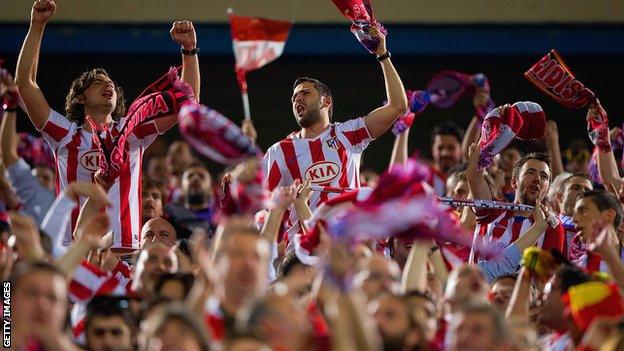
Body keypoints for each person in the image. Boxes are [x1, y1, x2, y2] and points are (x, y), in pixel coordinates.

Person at [15, 0, 200, 251]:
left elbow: (188, 104)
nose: (108, 86)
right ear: (80, 98)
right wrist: (37, 26)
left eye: (111, 84)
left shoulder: (132, 132)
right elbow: (24, 83)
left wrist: (189, 50)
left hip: (126, 253)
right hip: (75, 253)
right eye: (98, 83)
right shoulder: (65, 135)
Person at [264, 25, 408, 240]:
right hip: (303, 253)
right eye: (294, 97)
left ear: (326, 102)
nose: (297, 99)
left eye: (305, 93)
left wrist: (383, 56)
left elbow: (397, 106)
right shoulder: (278, 151)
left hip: (350, 245)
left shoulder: (348, 133)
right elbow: (267, 204)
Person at [467, 144, 565, 259]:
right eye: (530, 172)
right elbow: (474, 178)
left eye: (544, 176)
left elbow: (548, 272)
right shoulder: (492, 211)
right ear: (514, 183)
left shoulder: (552, 227)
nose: (537, 179)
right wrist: (482, 148)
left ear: (548, 190)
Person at [554, 173, 592, 256]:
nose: (583, 192)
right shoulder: (547, 229)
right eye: (576, 188)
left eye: (588, 191)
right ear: (560, 198)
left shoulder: (599, 235)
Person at [429, 122, 464, 195]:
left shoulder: (468, 178)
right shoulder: (424, 179)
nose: (445, 153)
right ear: (433, 150)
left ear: (461, 149)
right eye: (440, 148)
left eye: (451, 148)